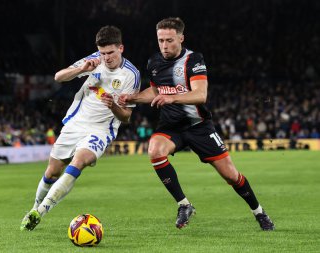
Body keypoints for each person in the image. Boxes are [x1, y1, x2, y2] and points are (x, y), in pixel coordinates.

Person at [119, 17, 274, 231]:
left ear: (181, 38)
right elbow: (155, 92)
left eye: (169, 40)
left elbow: (201, 95)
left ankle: (259, 212)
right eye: (160, 40)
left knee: (231, 175)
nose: (164, 45)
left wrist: (172, 98)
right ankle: (184, 205)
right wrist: (132, 98)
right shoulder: (154, 62)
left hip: (199, 126)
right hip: (171, 126)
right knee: (155, 150)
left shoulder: (194, 60)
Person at [20, 25, 140, 231]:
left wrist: (113, 106)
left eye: (110, 52)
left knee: (80, 161)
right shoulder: (94, 60)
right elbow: (59, 77)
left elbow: (127, 117)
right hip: (75, 124)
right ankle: (34, 206)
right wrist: (82, 69)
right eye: (103, 53)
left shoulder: (131, 75)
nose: (106, 58)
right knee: (52, 172)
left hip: (101, 129)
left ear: (121, 48)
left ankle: (41, 212)